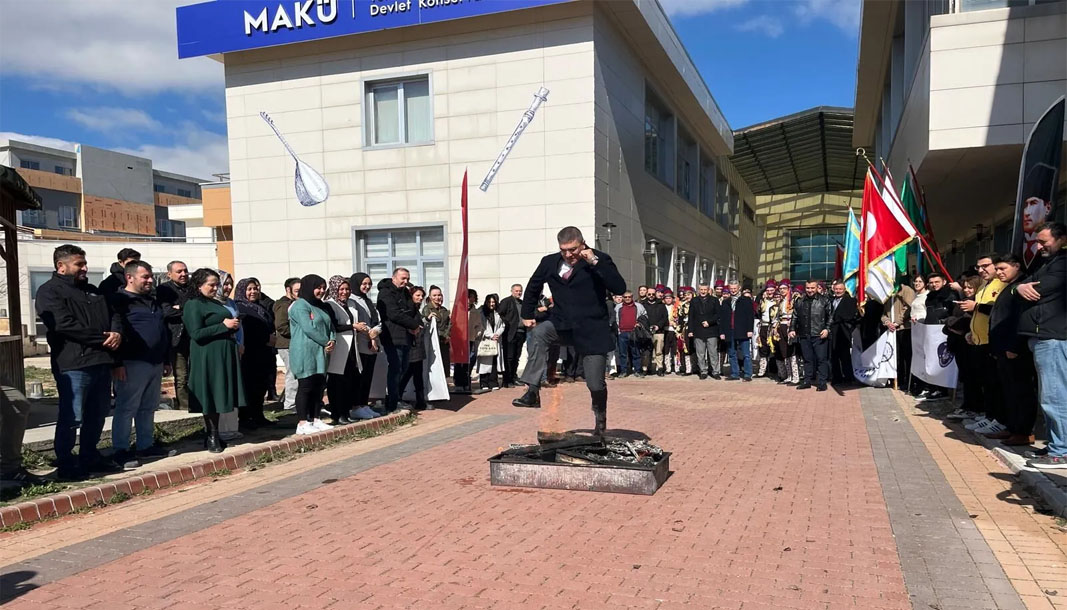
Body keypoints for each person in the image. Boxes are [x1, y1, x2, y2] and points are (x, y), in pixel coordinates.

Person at [512, 227, 626, 436]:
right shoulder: (550, 262)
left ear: (582, 244)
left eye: (572, 250)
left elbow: (619, 287)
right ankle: (532, 391)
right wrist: (527, 314)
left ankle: (600, 420)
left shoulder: (600, 259)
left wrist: (594, 262)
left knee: (595, 383)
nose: (568, 254)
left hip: (592, 329)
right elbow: (533, 286)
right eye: (563, 250)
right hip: (562, 325)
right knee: (539, 333)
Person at [35, 245, 123, 480]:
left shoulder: (93, 291)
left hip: (101, 362)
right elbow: (63, 325)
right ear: (61, 266)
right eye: (79, 264)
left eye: (84, 263)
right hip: (73, 364)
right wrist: (102, 339)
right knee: (72, 417)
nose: (85, 268)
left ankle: (90, 456)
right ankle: (66, 462)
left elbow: (114, 314)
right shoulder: (49, 292)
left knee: (97, 414)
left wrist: (116, 332)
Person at [110, 260, 176, 469]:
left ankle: (145, 445)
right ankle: (120, 449)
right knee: (126, 407)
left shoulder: (152, 301)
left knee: (148, 407)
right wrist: (117, 363)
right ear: (130, 277)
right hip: (131, 363)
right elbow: (116, 332)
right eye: (145, 277)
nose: (149, 280)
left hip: (155, 362)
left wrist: (165, 360)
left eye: (150, 276)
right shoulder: (119, 301)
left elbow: (162, 330)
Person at [1015, 223, 1067, 470]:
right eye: (1037, 241)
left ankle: (1061, 451)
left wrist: (1023, 287)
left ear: (1061, 239)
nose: (1039, 246)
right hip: (1042, 335)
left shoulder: (1063, 262)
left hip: (1052, 337)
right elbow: (1025, 285)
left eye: (1044, 241)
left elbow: (1039, 288)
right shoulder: (1047, 262)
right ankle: (1056, 445)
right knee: (1049, 395)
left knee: (1055, 396)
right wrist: (1019, 286)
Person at [182, 268, 243, 453]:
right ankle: (212, 435)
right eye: (211, 285)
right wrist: (223, 326)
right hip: (206, 356)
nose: (215, 288)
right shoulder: (194, 304)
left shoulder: (214, 303)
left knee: (218, 395)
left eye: (217, 284)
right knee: (209, 396)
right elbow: (196, 333)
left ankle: (216, 433)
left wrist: (232, 327)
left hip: (223, 354)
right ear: (199, 285)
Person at [975, 255, 1034, 443]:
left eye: (1003, 269)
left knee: (1020, 391)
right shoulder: (1007, 287)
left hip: (1014, 349)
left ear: (1016, 266)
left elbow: (1021, 319)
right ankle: (1011, 426)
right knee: (1008, 390)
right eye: (998, 269)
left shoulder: (1022, 286)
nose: (999, 273)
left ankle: (1023, 431)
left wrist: (1014, 346)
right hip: (1000, 348)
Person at [946, 256, 1003, 422]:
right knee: (984, 382)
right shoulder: (984, 285)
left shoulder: (1002, 285)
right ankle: (988, 416)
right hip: (977, 341)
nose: (981, 270)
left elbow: (997, 311)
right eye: (978, 267)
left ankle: (995, 418)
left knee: (993, 384)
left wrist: (975, 307)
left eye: (986, 266)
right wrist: (971, 331)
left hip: (991, 342)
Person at [289, 274, 335, 434]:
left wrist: (332, 340)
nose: (321, 291)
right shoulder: (299, 305)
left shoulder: (320, 305)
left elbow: (330, 326)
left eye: (323, 288)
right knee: (306, 386)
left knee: (319, 386)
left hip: (320, 352)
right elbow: (308, 327)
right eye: (318, 287)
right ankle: (302, 422)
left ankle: (316, 418)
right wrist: (326, 342)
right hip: (304, 352)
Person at [377, 268, 423, 412]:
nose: (406, 281)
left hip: (406, 336)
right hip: (392, 336)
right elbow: (393, 313)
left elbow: (412, 310)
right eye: (403, 278)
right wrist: (413, 324)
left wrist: (415, 325)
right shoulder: (385, 292)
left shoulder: (405, 293)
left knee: (403, 368)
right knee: (396, 368)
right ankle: (392, 401)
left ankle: (396, 397)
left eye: (407, 279)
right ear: (394, 278)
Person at [234, 277, 276, 429]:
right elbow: (248, 330)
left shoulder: (259, 307)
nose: (253, 292)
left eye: (255, 288)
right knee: (249, 386)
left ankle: (258, 415)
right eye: (249, 289)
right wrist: (266, 338)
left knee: (260, 385)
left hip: (264, 352)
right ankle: (245, 418)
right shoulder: (240, 307)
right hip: (250, 353)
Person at [325, 275, 366, 423]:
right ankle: (337, 413)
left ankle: (346, 412)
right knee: (337, 383)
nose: (344, 292)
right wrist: (352, 326)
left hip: (351, 348)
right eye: (341, 289)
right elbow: (334, 326)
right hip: (339, 348)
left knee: (349, 381)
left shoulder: (351, 304)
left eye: (347, 289)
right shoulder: (329, 304)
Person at [157, 261, 193, 410]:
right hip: (176, 338)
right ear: (169, 274)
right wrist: (188, 308)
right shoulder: (164, 290)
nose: (183, 274)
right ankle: (185, 408)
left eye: (185, 271)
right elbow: (166, 312)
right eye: (179, 271)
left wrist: (181, 308)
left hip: (194, 337)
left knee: (195, 375)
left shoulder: (193, 289)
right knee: (182, 376)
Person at [349, 273, 382, 420]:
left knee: (368, 376)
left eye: (369, 284)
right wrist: (371, 334)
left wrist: (376, 331)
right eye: (364, 283)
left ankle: (364, 404)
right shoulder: (352, 300)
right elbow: (359, 322)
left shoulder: (367, 300)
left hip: (372, 343)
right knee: (359, 377)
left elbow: (377, 320)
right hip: (361, 343)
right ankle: (356, 405)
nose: (367, 287)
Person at [790, 279, 831, 391]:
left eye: (812, 288)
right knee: (807, 359)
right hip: (804, 334)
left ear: (817, 287)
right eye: (808, 288)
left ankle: (822, 382)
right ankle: (807, 381)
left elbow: (830, 317)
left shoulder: (824, 300)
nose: (810, 290)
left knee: (821, 359)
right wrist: (792, 329)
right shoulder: (799, 301)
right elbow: (795, 316)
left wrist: (827, 329)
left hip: (819, 334)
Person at [398, 286, 431, 410]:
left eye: (422, 296)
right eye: (417, 295)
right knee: (406, 373)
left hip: (417, 346)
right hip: (410, 346)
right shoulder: (408, 309)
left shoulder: (416, 309)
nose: (420, 298)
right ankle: (396, 398)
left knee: (417, 375)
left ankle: (420, 401)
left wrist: (425, 320)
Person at [881, 279, 915, 391]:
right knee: (896, 356)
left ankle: (907, 380)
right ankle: (898, 378)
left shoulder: (906, 290)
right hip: (891, 329)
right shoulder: (887, 292)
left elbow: (908, 308)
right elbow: (883, 312)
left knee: (906, 356)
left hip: (904, 328)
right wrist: (887, 322)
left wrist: (897, 322)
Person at [273, 277, 301, 411]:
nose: (299, 294)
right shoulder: (283, 305)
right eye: (296, 291)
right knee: (293, 374)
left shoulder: (296, 303)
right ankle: (290, 404)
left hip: (295, 343)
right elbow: (281, 326)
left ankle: (294, 402)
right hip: (287, 344)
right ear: (288, 290)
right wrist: (300, 333)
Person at [719, 280, 754, 381]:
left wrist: (749, 330)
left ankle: (748, 374)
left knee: (746, 354)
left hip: (743, 330)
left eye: (735, 288)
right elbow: (722, 318)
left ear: (739, 288)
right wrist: (722, 332)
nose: (733, 290)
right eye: (731, 289)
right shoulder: (725, 302)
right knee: (732, 353)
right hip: (729, 330)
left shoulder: (746, 300)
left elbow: (750, 316)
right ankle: (735, 373)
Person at [828, 279, 860, 386]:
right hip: (832, 331)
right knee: (833, 356)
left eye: (840, 289)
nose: (838, 291)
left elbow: (851, 316)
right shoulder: (830, 300)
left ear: (844, 289)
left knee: (845, 356)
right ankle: (837, 377)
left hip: (843, 331)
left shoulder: (850, 300)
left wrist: (840, 319)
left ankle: (848, 377)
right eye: (836, 289)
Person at [688, 283, 720, 380]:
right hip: (698, 330)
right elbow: (691, 316)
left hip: (711, 330)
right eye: (701, 289)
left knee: (713, 352)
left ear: (708, 290)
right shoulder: (694, 301)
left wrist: (709, 322)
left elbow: (718, 315)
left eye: (705, 289)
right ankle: (703, 371)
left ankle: (715, 371)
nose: (703, 291)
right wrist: (690, 330)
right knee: (700, 353)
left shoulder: (714, 300)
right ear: (698, 290)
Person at [497, 284, 525, 388]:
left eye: (520, 291)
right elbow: (499, 314)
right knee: (509, 357)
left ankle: (513, 377)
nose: (519, 293)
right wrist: (506, 323)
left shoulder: (522, 303)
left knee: (516, 357)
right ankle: (507, 380)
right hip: (510, 333)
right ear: (512, 291)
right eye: (517, 291)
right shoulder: (507, 301)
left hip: (521, 333)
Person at [613, 291, 645, 377]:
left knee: (636, 352)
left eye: (629, 297)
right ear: (623, 298)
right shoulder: (618, 307)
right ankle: (623, 371)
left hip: (634, 333)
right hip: (622, 333)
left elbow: (644, 317)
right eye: (625, 297)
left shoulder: (638, 306)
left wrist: (640, 324)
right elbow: (615, 319)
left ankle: (638, 370)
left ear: (632, 297)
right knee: (622, 353)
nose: (627, 298)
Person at [772, 282, 800, 384]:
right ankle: (789, 375)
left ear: (788, 288)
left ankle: (796, 376)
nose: (782, 290)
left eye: (784, 288)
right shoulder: (781, 301)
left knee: (792, 352)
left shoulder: (793, 299)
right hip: (782, 326)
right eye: (780, 289)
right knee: (785, 351)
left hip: (790, 326)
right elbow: (778, 316)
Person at [475, 293, 504, 390]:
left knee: (494, 361)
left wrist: (497, 334)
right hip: (486, 340)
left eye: (493, 302)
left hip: (496, 340)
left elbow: (502, 325)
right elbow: (481, 327)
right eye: (489, 302)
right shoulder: (481, 313)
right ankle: (484, 382)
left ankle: (493, 382)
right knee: (484, 362)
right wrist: (491, 335)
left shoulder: (499, 313)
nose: (491, 304)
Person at [423, 285, 451, 381]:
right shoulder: (427, 309)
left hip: (444, 342)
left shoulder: (444, 310)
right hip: (433, 341)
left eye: (439, 295)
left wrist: (447, 335)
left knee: (444, 364)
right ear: (430, 297)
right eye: (434, 295)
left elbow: (449, 324)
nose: (437, 297)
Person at [755, 280, 777, 378]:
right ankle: (762, 370)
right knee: (763, 348)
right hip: (764, 325)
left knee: (775, 348)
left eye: (771, 290)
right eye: (768, 290)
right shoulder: (762, 300)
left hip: (774, 326)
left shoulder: (778, 300)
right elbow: (758, 312)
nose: (770, 292)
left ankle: (775, 369)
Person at [644, 288, 669, 376]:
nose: (651, 296)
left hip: (659, 331)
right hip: (646, 331)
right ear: (646, 294)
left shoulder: (661, 304)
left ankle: (660, 368)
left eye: (653, 294)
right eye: (649, 294)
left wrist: (658, 326)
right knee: (646, 351)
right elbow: (641, 317)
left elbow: (665, 317)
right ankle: (646, 368)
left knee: (658, 351)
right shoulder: (643, 304)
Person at [662, 291, 678, 374]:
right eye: (666, 298)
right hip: (665, 330)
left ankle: (677, 367)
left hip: (674, 330)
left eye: (669, 298)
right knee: (666, 350)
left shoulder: (676, 307)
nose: (668, 300)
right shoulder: (662, 307)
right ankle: (667, 367)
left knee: (675, 350)